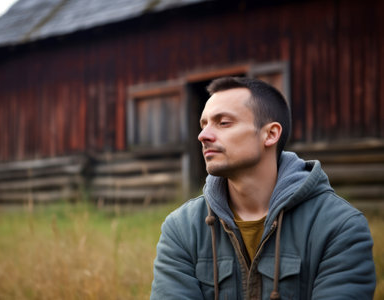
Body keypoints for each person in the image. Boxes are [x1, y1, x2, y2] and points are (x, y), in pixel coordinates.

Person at [150, 77, 376, 299]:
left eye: (223, 123)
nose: (203, 135)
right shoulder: (182, 229)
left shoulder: (339, 227)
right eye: (204, 124)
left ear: (270, 134)